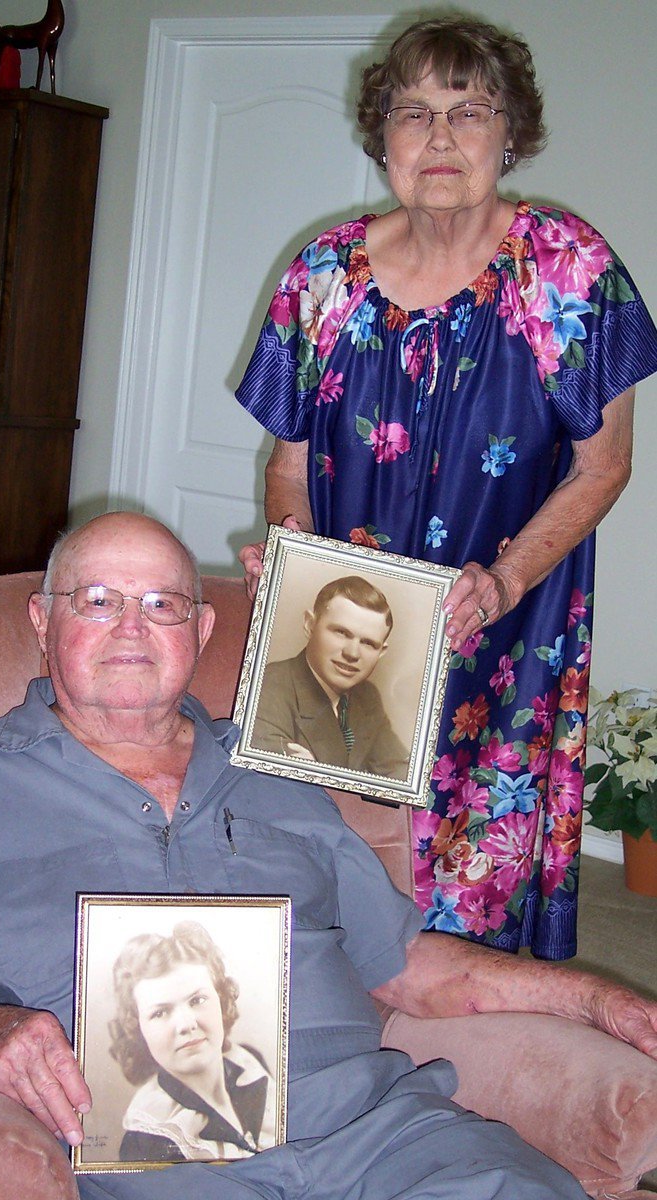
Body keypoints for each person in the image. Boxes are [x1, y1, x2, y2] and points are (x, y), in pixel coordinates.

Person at [0, 511, 656, 1200]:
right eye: (98, 600)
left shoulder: (280, 768)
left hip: (372, 1133)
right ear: (42, 621)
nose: (132, 627)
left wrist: (594, 1001)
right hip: (149, 1157)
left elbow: (403, 964)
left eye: (162, 604)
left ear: (201, 632)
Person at [235, 15, 657, 960]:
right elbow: (286, 463)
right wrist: (296, 562)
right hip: (351, 621)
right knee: (332, 854)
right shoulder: (322, 276)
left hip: (503, 618)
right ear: (378, 135)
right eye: (412, 112)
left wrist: (503, 583)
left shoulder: (567, 268)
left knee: (472, 860)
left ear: (512, 135)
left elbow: (605, 463)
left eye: (469, 112)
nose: (437, 137)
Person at [109, 921, 277, 1163]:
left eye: (197, 1000)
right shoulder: (148, 1138)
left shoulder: (251, 1063)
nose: (186, 1024)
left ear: (220, 999)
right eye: (160, 1012)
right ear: (138, 1028)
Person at [252, 575, 409, 778]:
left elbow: (399, 773)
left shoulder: (367, 696)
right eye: (341, 632)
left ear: (381, 652)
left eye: (368, 643)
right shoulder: (267, 687)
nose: (352, 653)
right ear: (310, 624)